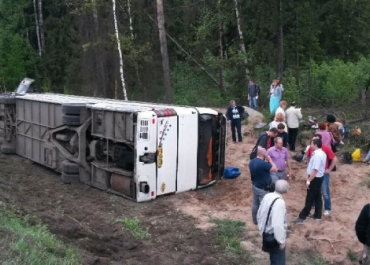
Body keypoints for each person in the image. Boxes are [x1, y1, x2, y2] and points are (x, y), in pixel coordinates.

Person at [294, 139, 326, 223]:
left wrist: (308, 180)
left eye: (312, 144)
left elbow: (315, 170)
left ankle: (303, 216)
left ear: (315, 145)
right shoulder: (321, 153)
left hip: (315, 178)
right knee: (318, 196)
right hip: (319, 177)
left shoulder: (317, 156)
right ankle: (317, 215)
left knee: (310, 198)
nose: (311, 145)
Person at [257, 180, 289, 265]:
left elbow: (259, 212)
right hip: (274, 237)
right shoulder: (280, 203)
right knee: (278, 260)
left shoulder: (267, 196)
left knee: (273, 258)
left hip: (266, 232)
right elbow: (277, 225)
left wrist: (261, 229)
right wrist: (281, 241)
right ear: (286, 191)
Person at [306, 134, 337, 216]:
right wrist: (309, 164)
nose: (312, 142)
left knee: (324, 191)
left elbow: (334, 158)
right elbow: (308, 156)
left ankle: (327, 208)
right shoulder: (311, 149)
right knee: (314, 191)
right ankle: (314, 206)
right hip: (313, 173)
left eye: (314, 140)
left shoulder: (325, 148)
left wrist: (329, 169)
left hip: (322, 173)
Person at [249, 146, 278, 225]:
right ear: (263, 154)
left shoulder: (252, 161)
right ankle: (264, 222)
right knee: (264, 206)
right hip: (263, 189)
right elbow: (275, 169)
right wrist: (270, 160)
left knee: (255, 203)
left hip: (255, 185)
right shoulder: (263, 164)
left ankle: (255, 220)